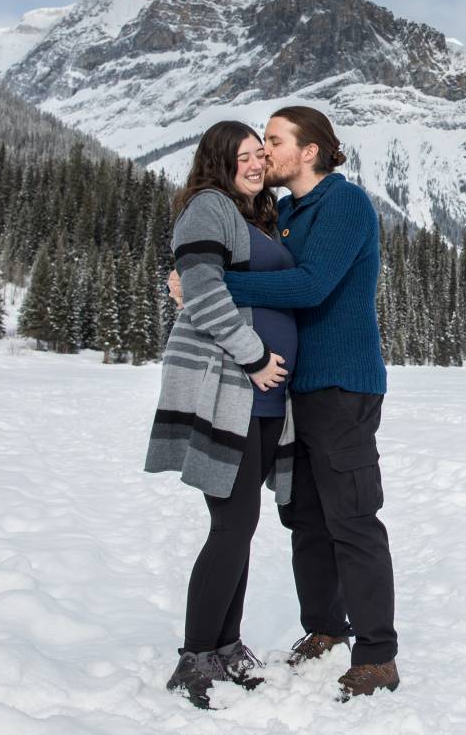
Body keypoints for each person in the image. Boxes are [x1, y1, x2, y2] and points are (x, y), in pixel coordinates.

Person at [170, 104, 400, 701]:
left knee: (351, 515)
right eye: (258, 144)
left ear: (311, 151)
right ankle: (324, 628)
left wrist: (208, 284)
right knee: (305, 515)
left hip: (343, 385)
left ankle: (377, 654)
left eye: (273, 141)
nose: (264, 152)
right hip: (295, 391)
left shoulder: (344, 205)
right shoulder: (289, 210)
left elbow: (310, 286)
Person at [145, 120, 297, 709]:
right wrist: (257, 357)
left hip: (262, 397)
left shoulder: (253, 215)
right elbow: (203, 291)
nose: (257, 164)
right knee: (230, 524)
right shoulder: (209, 207)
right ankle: (194, 656)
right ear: (218, 161)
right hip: (230, 386)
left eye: (261, 154)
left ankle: (226, 644)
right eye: (244, 157)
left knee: (241, 524)